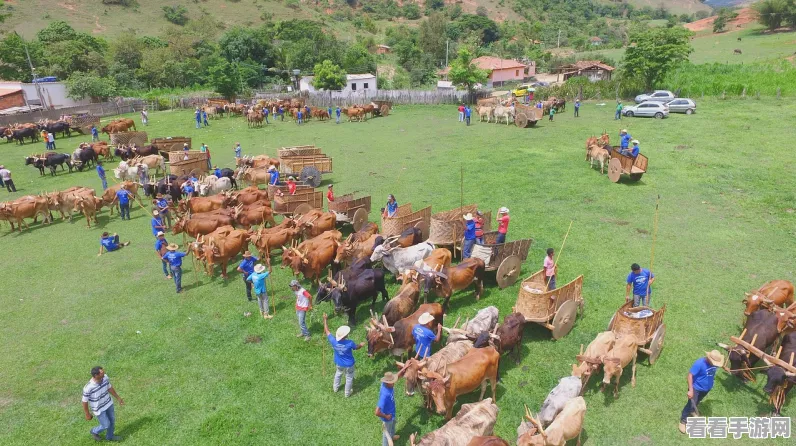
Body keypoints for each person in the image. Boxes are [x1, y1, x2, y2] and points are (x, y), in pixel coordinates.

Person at [679, 351, 724, 434]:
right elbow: (689, 375)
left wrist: (725, 367)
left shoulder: (714, 364)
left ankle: (693, 411)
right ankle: (683, 421)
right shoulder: (699, 363)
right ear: (709, 359)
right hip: (696, 388)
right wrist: (691, 390)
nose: (716, 364)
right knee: (690, 404)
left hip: (706, 388)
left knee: (697, 401)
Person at [324, 314, 365, 397]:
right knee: (349, 377)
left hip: (339, 363)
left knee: (338, 373)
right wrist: (361, 344)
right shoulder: (350, 343)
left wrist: (325, 319)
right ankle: (347, 393)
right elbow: (356, 347)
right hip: (349, 364)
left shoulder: (333, 341)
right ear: (345, 335)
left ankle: (335, 388)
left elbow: (327, 331)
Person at [81, 366, 124, 442]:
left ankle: (110, 437)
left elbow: (109, 388)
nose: (104, 374)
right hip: (99, 409)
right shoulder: (88, 387)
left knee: (112, 421)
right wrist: (87, 414)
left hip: (108, 403)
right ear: (96, 375)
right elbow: (84, 401)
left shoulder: (105, 378)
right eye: (102, 373)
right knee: (106, 425)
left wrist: (118, 398)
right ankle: (94, 431)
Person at [376, 371, 404, 446]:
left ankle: (392, 436)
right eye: (392, 382)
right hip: (387, 417)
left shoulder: (386, 384)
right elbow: (377, 412)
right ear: (388, 383)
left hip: (392, 412)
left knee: (393, 425)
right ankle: (386, 444)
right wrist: (386, 416)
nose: (394, 383)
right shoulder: (384, 395)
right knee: (386, 434)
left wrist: (405, 367)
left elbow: (397, 375)